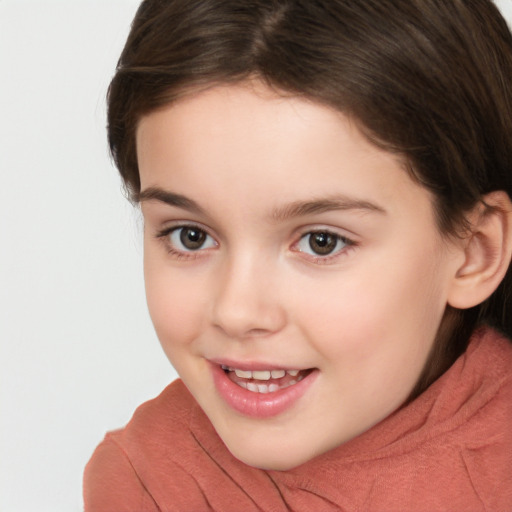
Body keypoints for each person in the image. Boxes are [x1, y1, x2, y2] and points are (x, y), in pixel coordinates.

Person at [83, 0, 512, 510]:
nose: (237, 312)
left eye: (321, 241)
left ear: (474, 252)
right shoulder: (146, 481)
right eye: (190, 236)